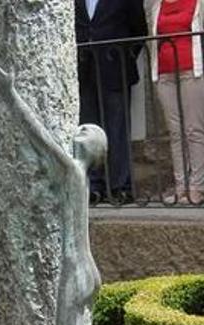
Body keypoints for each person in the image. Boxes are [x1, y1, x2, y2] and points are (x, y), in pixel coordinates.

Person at [0, 63, 115, 325]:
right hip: (87, 271)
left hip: (76, 271)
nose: (80, 130)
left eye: (87, 131)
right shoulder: (80, 178)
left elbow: (42, 140)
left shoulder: (75, 173)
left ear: (94, 149)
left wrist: (11, 96)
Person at [75, 0, 147, 201]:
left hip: (114, 66)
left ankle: (120, 187)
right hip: (84, 68)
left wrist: (125, 54)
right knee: (89, 130)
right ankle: (94, 186)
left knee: (117, 129)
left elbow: (138, 28)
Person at [147, 0, 204, 204]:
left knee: (194, 129)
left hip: (192, 70)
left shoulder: (197, 3)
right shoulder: (157, 5)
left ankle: (197, 187)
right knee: (175, 132)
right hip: (164, 73)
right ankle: (181, 187)